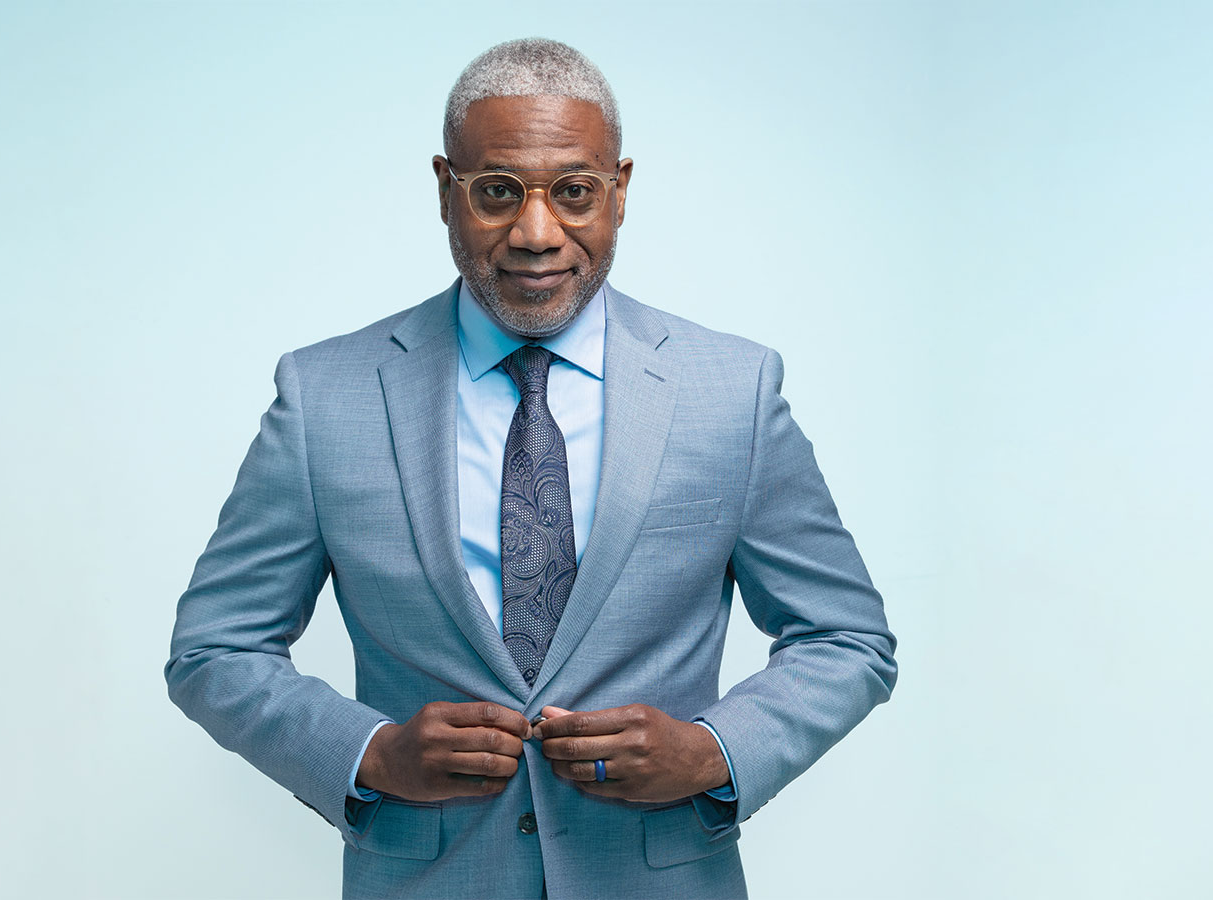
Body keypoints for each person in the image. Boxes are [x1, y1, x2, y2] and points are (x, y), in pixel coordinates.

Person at [165, 37, 897, 900]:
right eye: (499, 192)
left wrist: (710, 752)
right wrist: (373, 752)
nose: (537, 233)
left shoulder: (732, 391)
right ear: (447, 192)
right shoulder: (325, 396)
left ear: (620, 193)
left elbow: (848, 639)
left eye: (575, 193)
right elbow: (215, 648)